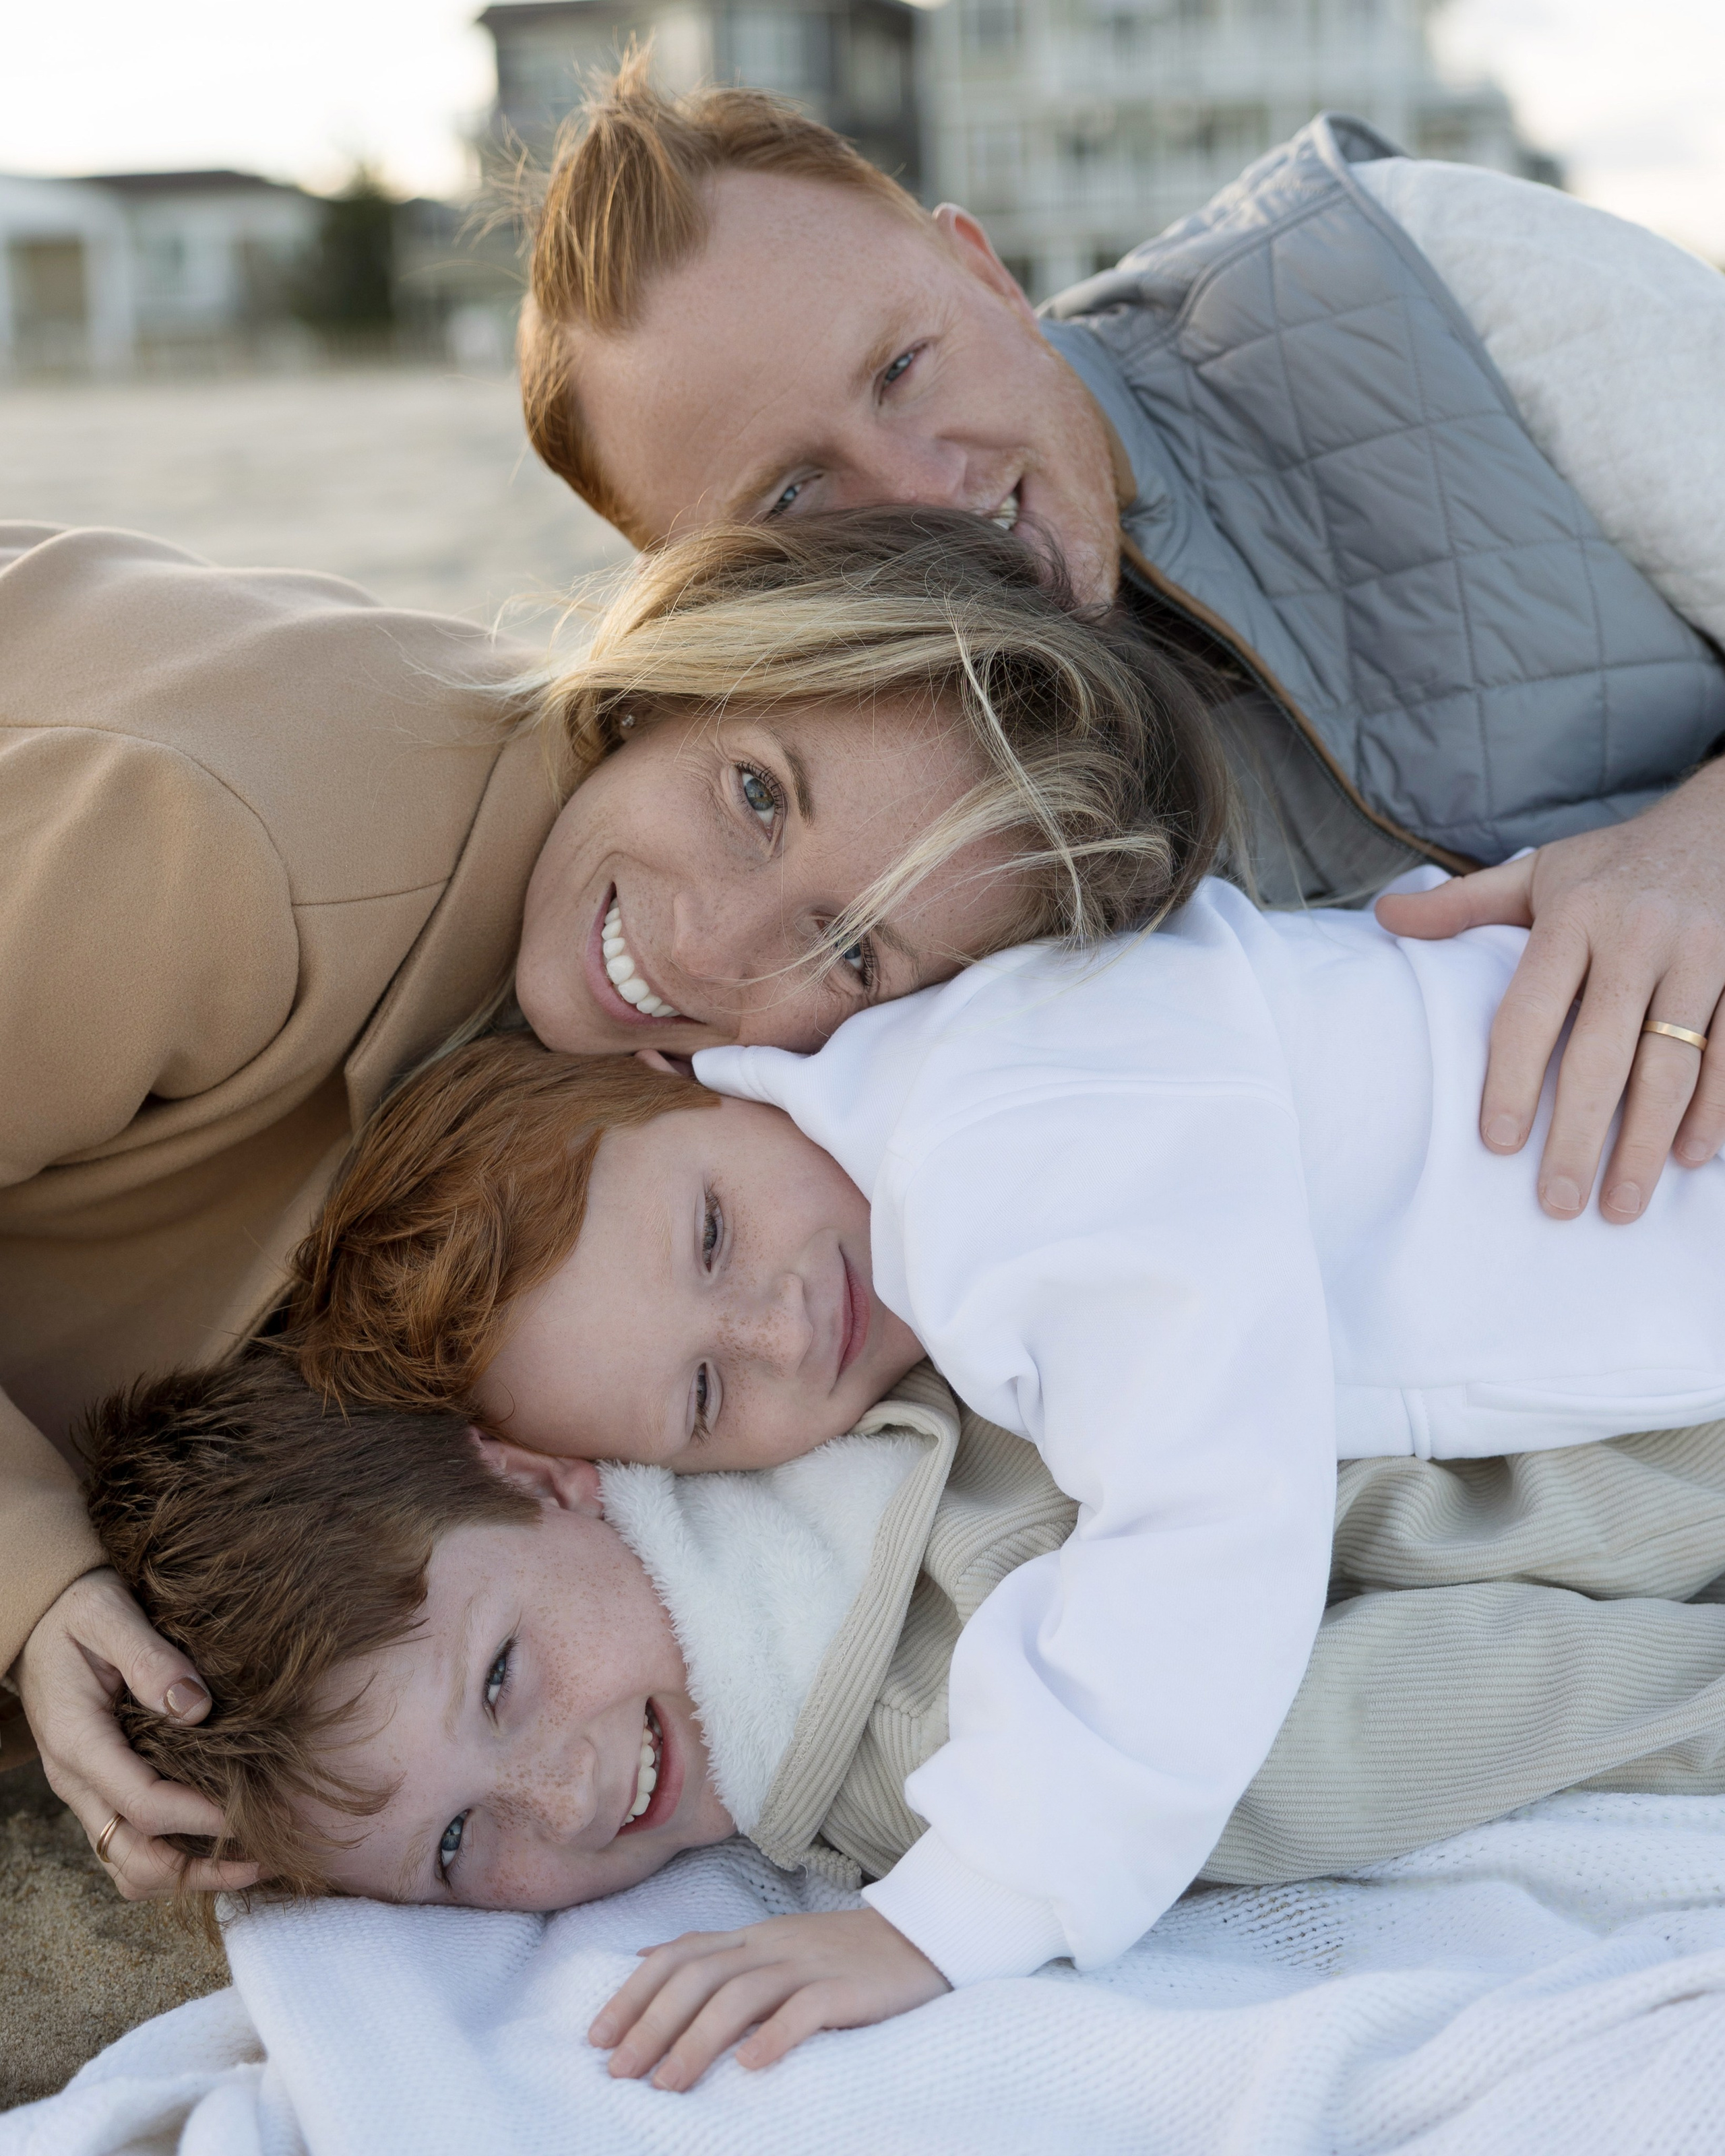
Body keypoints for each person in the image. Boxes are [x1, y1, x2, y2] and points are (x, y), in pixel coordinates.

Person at [1, 507, 1224, 1897]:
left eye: (851, 952)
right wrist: (32, 1581)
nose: (705, 942)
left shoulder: (683, 1129)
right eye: (754, 794)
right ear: (682, 673)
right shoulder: (231, 852)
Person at [517, 61, 1725, 1232]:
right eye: (791, 496)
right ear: (706, 594)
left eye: (902, 369)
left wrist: (1699, 849)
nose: (924, 491)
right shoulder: (808, 868)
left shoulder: (1407, 269)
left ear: (986, 275)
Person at [80, 1349, 1725, 2094]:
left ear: (527, 1466)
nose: (563, 1795)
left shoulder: (771, 1373)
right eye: (457, 1843)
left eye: (503, 1677)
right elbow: (1464, 1695)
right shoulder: (928, 1764)